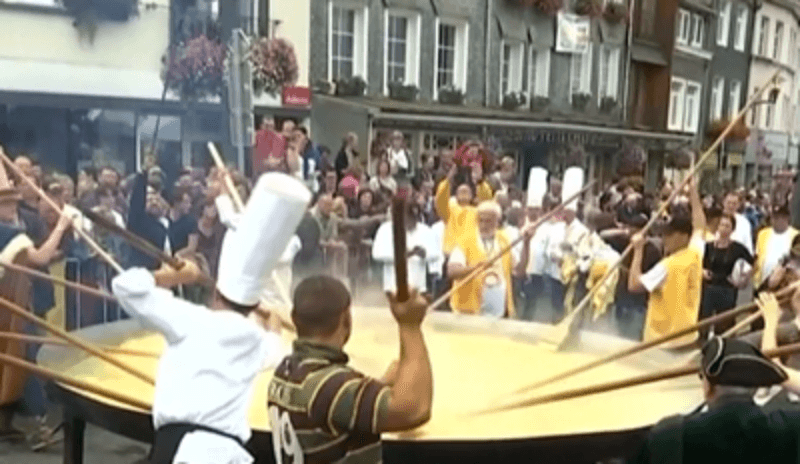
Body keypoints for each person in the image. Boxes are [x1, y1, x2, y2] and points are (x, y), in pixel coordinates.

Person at [113, 172, 311, 464]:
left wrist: (173, 276)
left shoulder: (189, 319)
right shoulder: (257, 340)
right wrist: (274, 328)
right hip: (229, 453)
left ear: (216, 293)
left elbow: (125, 287)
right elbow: (277, 347)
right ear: (253, 306)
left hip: (177, 450)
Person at [267, 275, 433, 463]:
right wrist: (410, 325)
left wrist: (381, 384)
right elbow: (414, 410)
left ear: (294, 319)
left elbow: (326, 408)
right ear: (347, 320)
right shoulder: (331, 386)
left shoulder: (284, 371)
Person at [629, 335, 800, 464]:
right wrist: (777, 372)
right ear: (756, 388)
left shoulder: (671, 434)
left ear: (708, 387)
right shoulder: (790, 426)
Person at [629, 178, 706, 347]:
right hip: (687, 336)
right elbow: (700, 225)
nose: (665, 239)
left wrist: (638, 250)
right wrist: (693, 192)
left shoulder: (668, 266)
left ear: (684, 236)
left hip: (661, 341)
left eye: (670, 235)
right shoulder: (694, 255)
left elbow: (634, 285)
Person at [447, 201, 531, 318]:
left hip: (499, 315)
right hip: (469, 315)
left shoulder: (504, 240)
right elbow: (452, 271)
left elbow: (519, 271)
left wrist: (526, 243)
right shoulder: (465, 240)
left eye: (488, 221)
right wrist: (475, 268)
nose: (483, 225)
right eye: (481, 220)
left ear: (497, 222)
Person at [700, 213, 754, 338]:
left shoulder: (738, 248)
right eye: (722, 225)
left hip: (727, 290)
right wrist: (703, 272)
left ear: (732, 229)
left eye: (727, 226)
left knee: (724, 327)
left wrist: (744, 279)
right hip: (709, 289)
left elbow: (753, 262)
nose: (724, 228)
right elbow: (701, 264)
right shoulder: (709, 247)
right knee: (704, 326)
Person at [372, 203, 440, 295]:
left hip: (418, 287)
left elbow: (436, 254)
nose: (411, 221)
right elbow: (377, 254)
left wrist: (424, 254)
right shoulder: (385, 229)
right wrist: (401, 255)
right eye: (408, 217)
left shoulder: (426, 230)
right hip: (392, 287)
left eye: (414, 217)